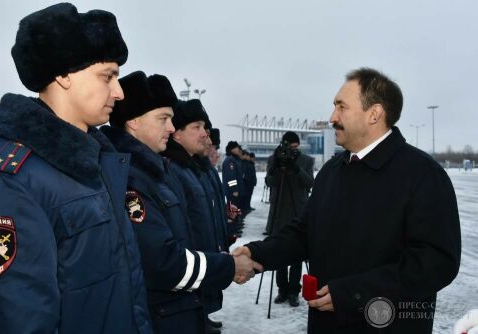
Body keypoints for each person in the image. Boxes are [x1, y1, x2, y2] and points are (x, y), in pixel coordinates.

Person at [234, 68, 461, 333]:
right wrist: (257, 254)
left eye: (342, 107)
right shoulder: (332, 171)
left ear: (374, 114)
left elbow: (436, 262)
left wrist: (353, 293)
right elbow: (304, 234)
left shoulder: (423, 174)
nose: (332, 117)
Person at [0, 4, 153, 333]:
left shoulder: (96, 161)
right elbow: (19, 320)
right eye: (107, 76)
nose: (119, 91)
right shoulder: (9, 180)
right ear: (63, 75)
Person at [101, 71, 255, 333]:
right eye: (164, 119)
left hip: (178, 309)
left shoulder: (152, 171)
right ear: (134, 122)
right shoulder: (130, 179)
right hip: (160, 316)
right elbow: (162, 262)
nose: (171, 128)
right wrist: (228, 266)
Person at [162, 99, 259, 333]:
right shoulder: (173, 170)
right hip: (191, 272)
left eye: (204, 127)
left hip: (204, 264)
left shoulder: (195, 168)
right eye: (197, 127)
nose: (205, 134)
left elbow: (204, 208)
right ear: (177, 134)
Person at [264, 131, 314, 307]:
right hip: (278, 212)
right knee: (279, 253)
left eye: (295, 148)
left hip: (298, 212)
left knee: (296, 255)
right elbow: (269, 182)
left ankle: (294, 291)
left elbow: (310, 183)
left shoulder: (307, 161)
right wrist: (276, 168)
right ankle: (282, 290)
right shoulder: (274, 158)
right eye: (290, 147)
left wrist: (296, 169)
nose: (292, 151)